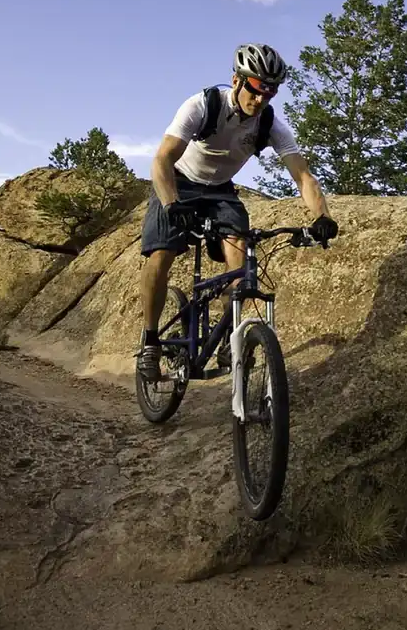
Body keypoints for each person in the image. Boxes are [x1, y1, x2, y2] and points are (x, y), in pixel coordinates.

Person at [136, 42, 337, 381]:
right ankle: (151, 341)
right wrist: (171, 205)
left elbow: (303, 176)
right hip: (178, 182)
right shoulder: (202, 105)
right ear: (236, 81)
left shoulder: (269, 124)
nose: (260, 101)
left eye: (269, 95)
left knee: (240, 261)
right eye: (256, 91)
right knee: (161, 254)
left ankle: (234, 335)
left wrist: (323, 217)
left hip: (220, 192)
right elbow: (162, 160)